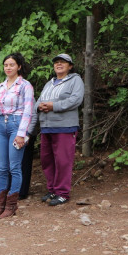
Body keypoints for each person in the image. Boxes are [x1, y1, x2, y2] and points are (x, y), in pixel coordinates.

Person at [0, 52, 35, 218]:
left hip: (17, 125)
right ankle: (0, 204)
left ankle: (11, 205)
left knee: (14, 167)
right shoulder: (1, 86)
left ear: (19, 67)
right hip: (1, 125)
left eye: (11, 65)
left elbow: (28, 111)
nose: (8, 68)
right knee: (2, 167)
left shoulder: (25, 86)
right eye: (6, 65)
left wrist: (21, 134)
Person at [35, 53, 85, 206]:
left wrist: (53, 106)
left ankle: (62, 192)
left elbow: (76, 99)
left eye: (63, 62)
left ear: (70, 66)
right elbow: (38, 101)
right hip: (47, 126)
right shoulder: (49, 83)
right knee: (47, 160)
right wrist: (39, 106)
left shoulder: (75, 80)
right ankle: (52, 189)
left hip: (65, 126)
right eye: (56, 62)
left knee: (63, 160)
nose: (59, 64)